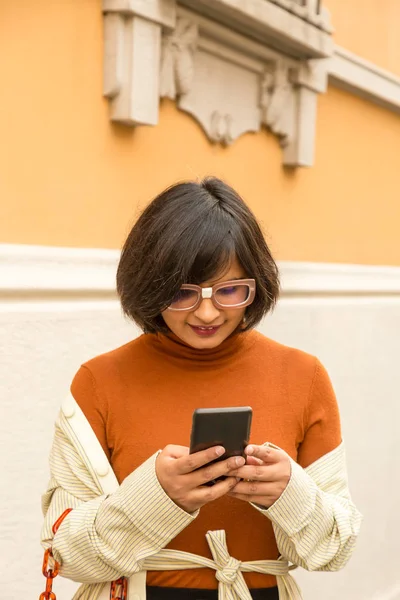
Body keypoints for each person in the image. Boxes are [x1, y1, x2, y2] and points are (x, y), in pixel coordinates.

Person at [41, 177, 362, 600]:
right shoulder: (99, 380)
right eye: (182, 292)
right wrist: (155, 496)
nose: (207, 312)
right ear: (148, 285)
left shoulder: (303, 376)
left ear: (257, 284)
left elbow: (335, 550)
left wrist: (290, 493)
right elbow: (62, 555)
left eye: (230, 290)